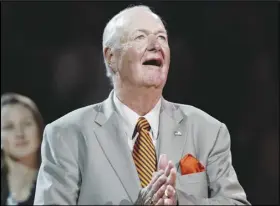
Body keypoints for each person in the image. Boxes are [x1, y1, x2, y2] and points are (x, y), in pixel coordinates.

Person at [34, 5, 250, 205]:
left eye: (162, 38)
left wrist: (178, 202)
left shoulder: (208, 131)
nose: (156, 46)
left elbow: (236, 202)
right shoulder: (66, 135)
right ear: (111, 57)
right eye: (140, 37)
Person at [1, 93, 44, 205]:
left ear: (39, 129)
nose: (19, 133)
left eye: (27, 124)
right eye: (9, 127)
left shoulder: (58, 183)